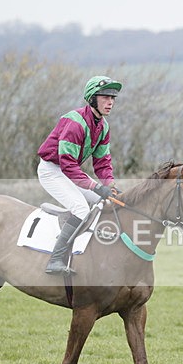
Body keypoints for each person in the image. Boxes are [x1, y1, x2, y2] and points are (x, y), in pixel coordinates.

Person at [37, 75, 122, 275]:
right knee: (82, 209)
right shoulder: (75, 123)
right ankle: (55, 259)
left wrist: (109, 185)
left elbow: (102, 162)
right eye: (105, 97)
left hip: (70, 171)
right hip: (52, 171)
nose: (110, 102)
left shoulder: (103, 127)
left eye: (113, 98)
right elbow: (67, 164)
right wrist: (94, 186)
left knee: (107, 202)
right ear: (92, 98)